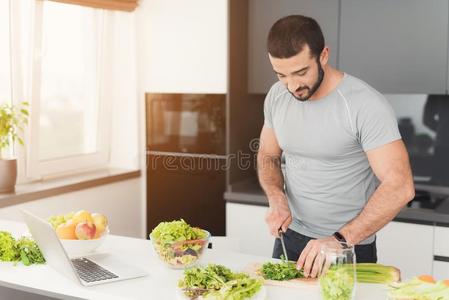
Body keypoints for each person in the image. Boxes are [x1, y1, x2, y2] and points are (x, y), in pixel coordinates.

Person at [257, 15, 415, 278]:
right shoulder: (276, 96)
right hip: (291, 238)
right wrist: (276, 197)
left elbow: (400, 186)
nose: (292, 85)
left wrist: (339, 240)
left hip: (346, 246)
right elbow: (267, 154)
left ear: (324, 56)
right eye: (281, 75)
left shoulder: (364, 104)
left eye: (300, 72)